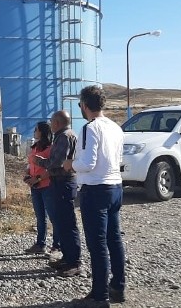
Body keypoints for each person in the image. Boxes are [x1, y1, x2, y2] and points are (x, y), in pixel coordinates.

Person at [63, 85, 126, 306]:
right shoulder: (116, 128)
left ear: (85, 105)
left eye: (80, 104)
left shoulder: (90, 128)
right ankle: (118, 286)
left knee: (97, 244)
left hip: (95, 189)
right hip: (115, 187)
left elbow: (88, 163)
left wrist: (70, 164)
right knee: (114, 239)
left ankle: (100, 295)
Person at [35, 110, 82, 277]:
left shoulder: (63, 137)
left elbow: (57, 162)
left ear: (57, 123)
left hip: (64, 182)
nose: (50, 124)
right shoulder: (68, 135)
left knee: (68, 223)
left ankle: (74, 262)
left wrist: (39, 161)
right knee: (62, 221)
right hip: (62, 182)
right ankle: (67, 257)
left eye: (52, 121)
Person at [23, 121, 60, 255]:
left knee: (53, 216)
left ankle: (57, 245)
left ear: (42, 132)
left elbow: (51, 168)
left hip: (46, 186)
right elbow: (29, 164)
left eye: (36, 129)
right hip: (35, 186)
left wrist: (38, 178)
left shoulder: (51, 149)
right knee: (40, 217)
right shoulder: (35, 147)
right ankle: (40, 244)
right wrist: (27, 175)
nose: (34, 131)